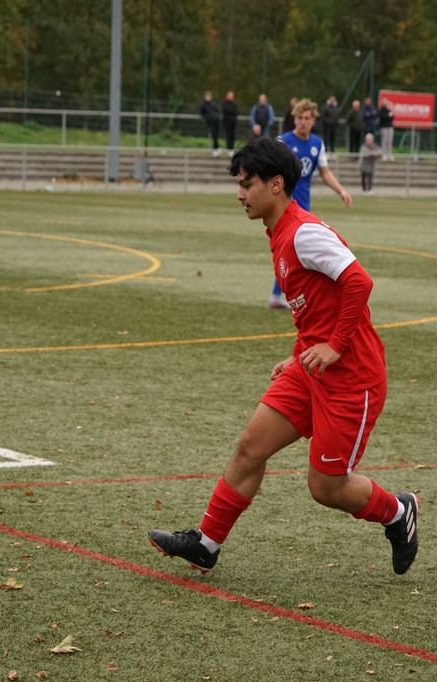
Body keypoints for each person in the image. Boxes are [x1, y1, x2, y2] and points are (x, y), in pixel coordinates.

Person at [147, 137, 419, 576]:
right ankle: (206, 544)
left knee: (326, 487)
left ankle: (398, 512)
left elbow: (359, 282)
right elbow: (312, 310)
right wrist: (298, 355)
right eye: (239, 184)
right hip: (310, 370)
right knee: (250, 447)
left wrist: (335, 346)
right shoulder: (279, 233)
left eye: (247, 183)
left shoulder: (304, 232)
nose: (240, 194)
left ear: (276, 184)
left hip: (352, 378)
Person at [268, 98, 354, 308]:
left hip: (302, 207)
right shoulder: (283, 142)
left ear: (314, 120)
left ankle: (283, 296)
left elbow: (325, 172)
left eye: (307, 118)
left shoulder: (317, 143)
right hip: (283, 207)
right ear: (294, 119)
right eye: (299, 118)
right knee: (289, 252)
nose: (303, 122)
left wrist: (341, 191)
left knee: (296, 253)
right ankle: (281, 296)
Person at [199, 90, 221, 156]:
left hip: (216, 121)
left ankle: (217, 148)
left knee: (216, 135)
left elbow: (216, 111)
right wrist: (208, 118)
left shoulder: (212, 104)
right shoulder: (203, 104)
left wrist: (216, 116)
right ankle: (216, 148)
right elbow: (202, 113)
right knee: (213, 134)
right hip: (210, 122)